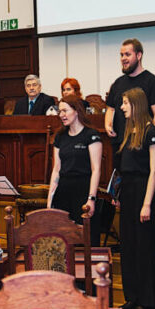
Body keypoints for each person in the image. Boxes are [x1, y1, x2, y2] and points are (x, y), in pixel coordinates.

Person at [117, 88, 155, 309]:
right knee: (129, 248)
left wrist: (146, 204)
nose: (122, 107)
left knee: (144, 249)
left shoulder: (150, 131)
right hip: (128, 192)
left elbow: (154, 171)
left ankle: (148, 303)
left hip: (143, 193)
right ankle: (132, 297)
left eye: (125, 103)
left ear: (136, 104)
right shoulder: (129, 130)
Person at [105, 38, 155, 167]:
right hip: (120, 144)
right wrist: (108, 124)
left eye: (127, 54)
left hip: (140, 148)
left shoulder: (152, 82)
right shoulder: (118, 83)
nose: (123, 58)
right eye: (121, 55)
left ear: (139, 55)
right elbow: (110, 108)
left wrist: (149, 141)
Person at [47, 96, 102, 225]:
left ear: (76, 111)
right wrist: (50, 198)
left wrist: (91, 199)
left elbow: (96, 169)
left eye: (65, 111)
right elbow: (56, 170)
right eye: (60, 112)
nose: (62, 115)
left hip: (83, 189)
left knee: (85, 236)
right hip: (63, 190)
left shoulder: (91, 135)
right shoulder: (60, 137)